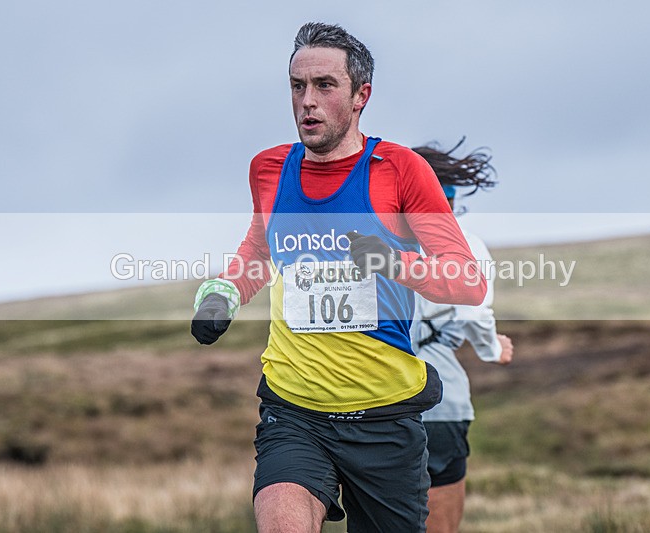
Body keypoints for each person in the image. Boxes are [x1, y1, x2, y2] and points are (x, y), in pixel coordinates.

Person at [191, 22, 487, 532]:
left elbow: (466, 280)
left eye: (325, 86)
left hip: (386, 418)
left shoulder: (400, 170)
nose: (308, 101)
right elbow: (259, 252)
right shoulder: (268, 169)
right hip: (294, 411)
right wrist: (223, 292)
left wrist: (391, 262)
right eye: (297, 86)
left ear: (360, 96)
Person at [411, 140, 514, 533]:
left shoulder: (375, 239)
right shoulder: (468, 246)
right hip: (440, 397)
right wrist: (493, 350)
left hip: (373, 392)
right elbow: (475, 313)